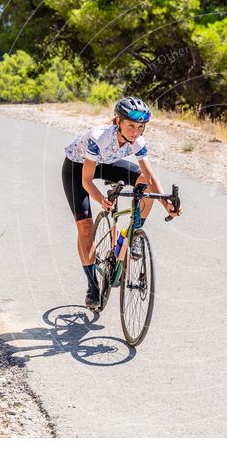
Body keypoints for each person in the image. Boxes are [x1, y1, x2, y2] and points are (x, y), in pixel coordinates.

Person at [61, 96, 182, 309]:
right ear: (118, 122)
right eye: (130, 126)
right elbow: (86, 180)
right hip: (78, 168)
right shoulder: (98, 137)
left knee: (144, 184)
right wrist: (102, 199)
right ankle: (93, 286)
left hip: (108, 163)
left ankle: (134, 233)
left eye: (140, 127)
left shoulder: (138, 141)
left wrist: (167, 204)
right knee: (85, 226)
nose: (136, 132)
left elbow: (150, 177)